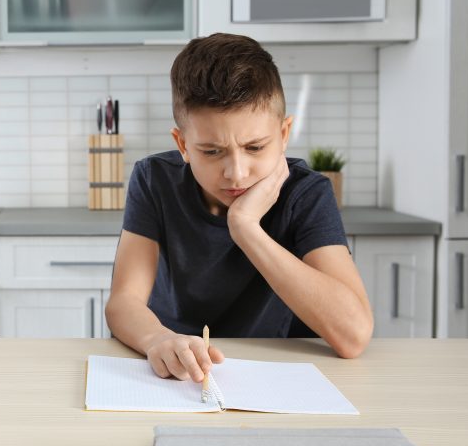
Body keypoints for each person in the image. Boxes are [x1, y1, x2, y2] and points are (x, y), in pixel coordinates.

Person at [105, 33, 373, 383]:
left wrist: (245, 227)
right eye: (212, 152)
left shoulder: (307, 193)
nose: (236, 173)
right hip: (175, 370)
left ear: (284, 134)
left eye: (255, 147)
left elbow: (353, 336)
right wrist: (157, 339)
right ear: (182, 144)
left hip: (273, 370)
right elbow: (123, 302)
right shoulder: (154, 179)